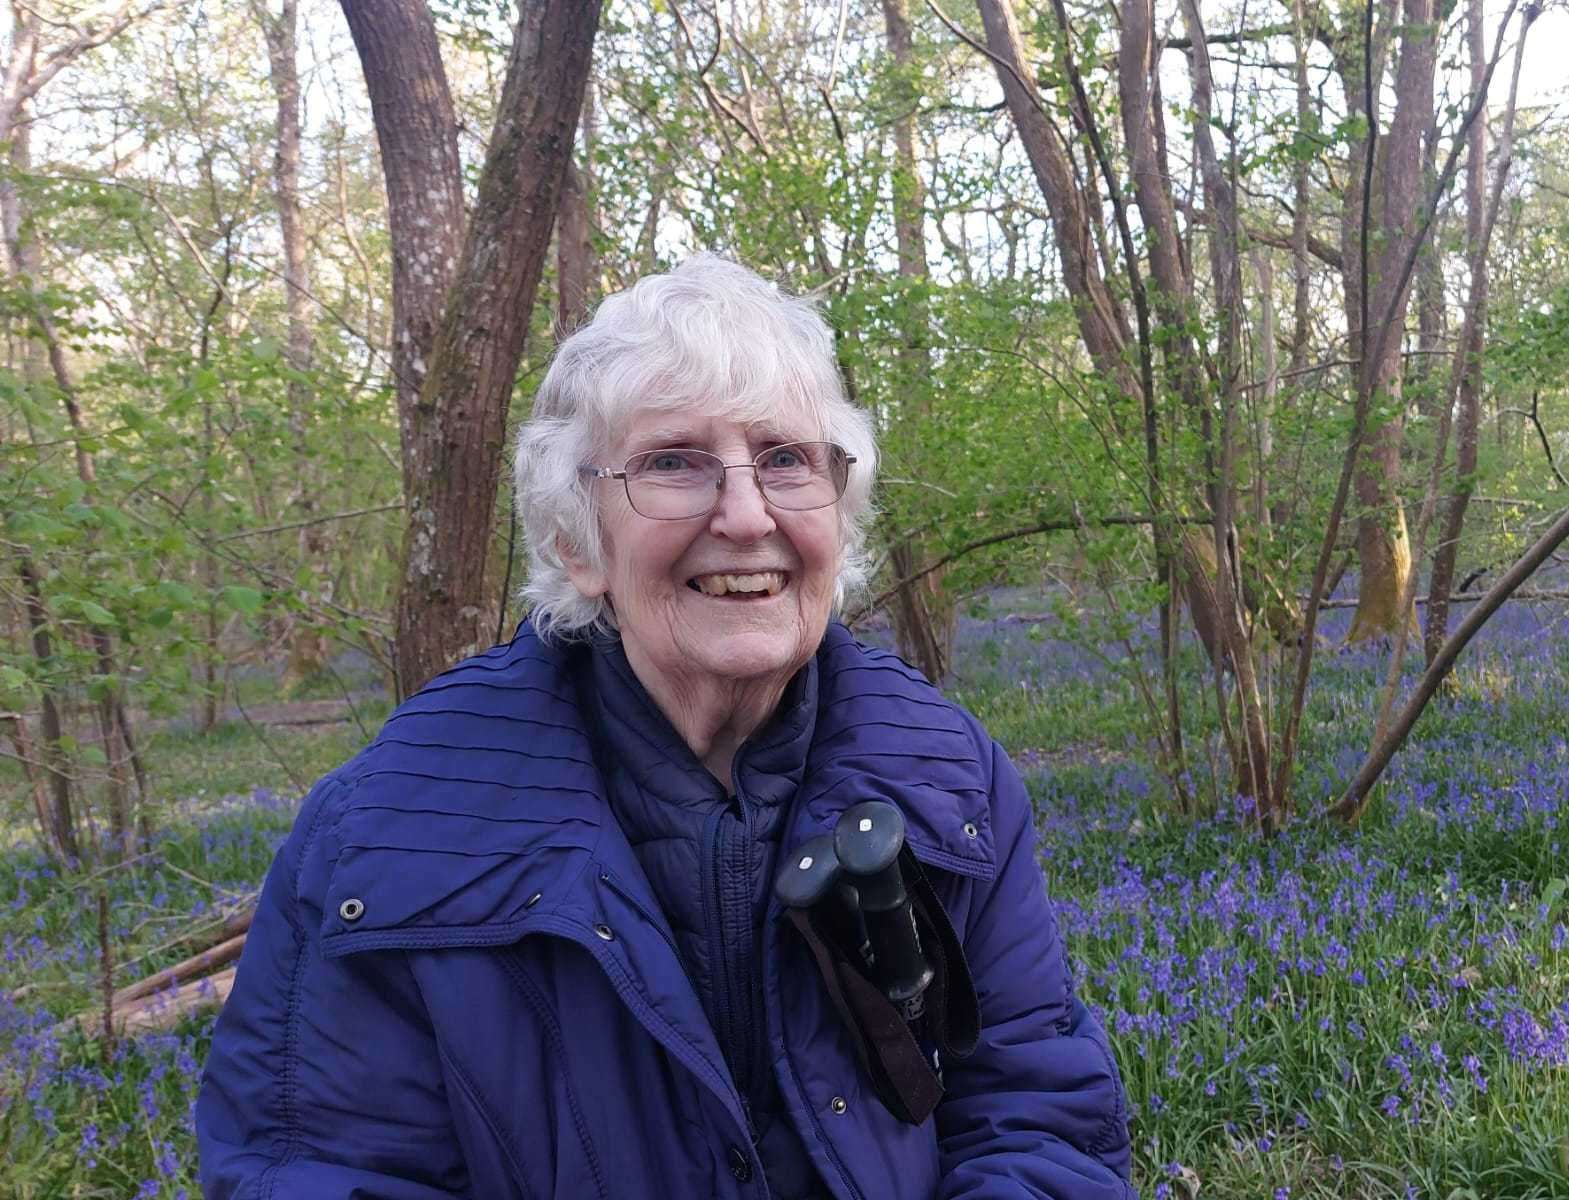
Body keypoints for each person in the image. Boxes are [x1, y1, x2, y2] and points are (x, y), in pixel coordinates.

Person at [196, 254, 1134, 1199]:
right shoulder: (389, 832)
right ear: (576, 537)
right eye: (674, 463)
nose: (744, 514)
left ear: (837, 519)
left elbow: (1034, 1116)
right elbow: (322, 1171)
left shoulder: (947, 779)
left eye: (786, 459)